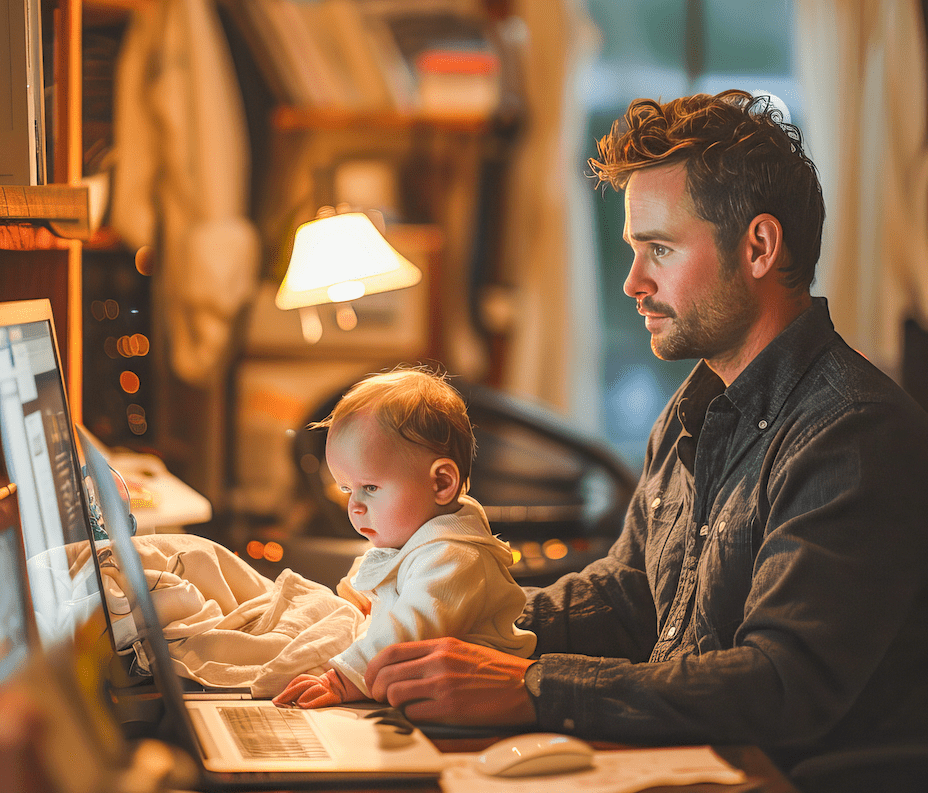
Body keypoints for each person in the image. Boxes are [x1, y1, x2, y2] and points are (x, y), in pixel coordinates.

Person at [360, 90, 928, 791]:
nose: (633, 281)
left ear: (758, 247)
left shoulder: (853, 433)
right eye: (635, 250)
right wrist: (438, 616)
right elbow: (630, 596)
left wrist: (533, 685)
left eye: (659, 248)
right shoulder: (694, 409)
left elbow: (781, 681)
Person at [273, 367, 536, 708]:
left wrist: (340, 679)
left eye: (370, 488)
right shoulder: (415, 538)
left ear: (441, 483)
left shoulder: (455, 558)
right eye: (346, 489)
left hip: (474, 707)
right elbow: (379, 581)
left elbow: (408, 631)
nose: (354, 506)